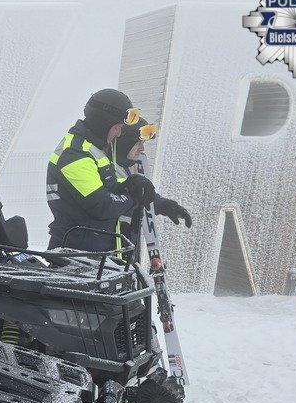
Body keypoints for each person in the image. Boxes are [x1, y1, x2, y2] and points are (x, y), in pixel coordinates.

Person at [46, 88, 155, 253]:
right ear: (103, 122)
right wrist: (133, 196)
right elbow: (102, 205)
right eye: (117, 126)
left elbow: (110, 188)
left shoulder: (95, 150)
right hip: (75, 255)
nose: (119, 133)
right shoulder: (74, 154)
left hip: (97, 252)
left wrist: (131, 184)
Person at [110, 118, 193, 270]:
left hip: (127, 249)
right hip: (109, 255)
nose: (142, 149)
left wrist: (165, 205)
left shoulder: (127, 167)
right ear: (123, 143)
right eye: (138, 143)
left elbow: (140, 194)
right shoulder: (107, 169)